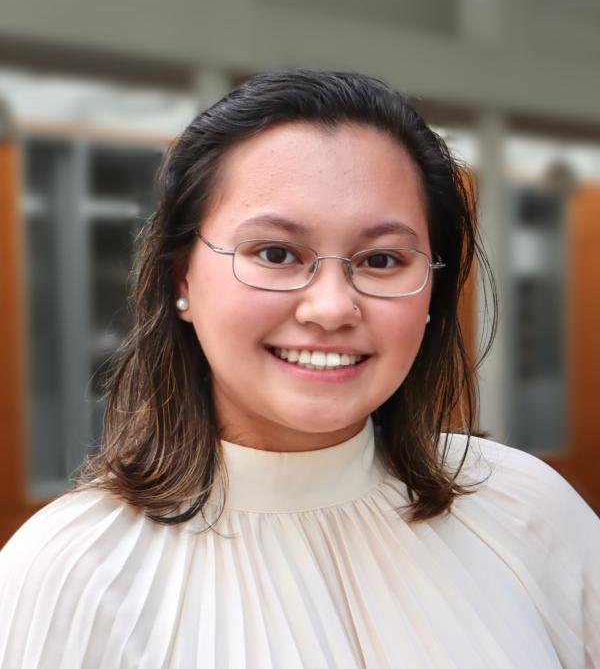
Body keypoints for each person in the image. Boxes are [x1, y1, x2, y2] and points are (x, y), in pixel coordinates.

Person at [0, 69, 598, 669]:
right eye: (276, 253)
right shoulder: (71, 574)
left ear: (432, 293)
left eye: (382, 259)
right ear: (181, 276)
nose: (333, 308)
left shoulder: (525, 508)